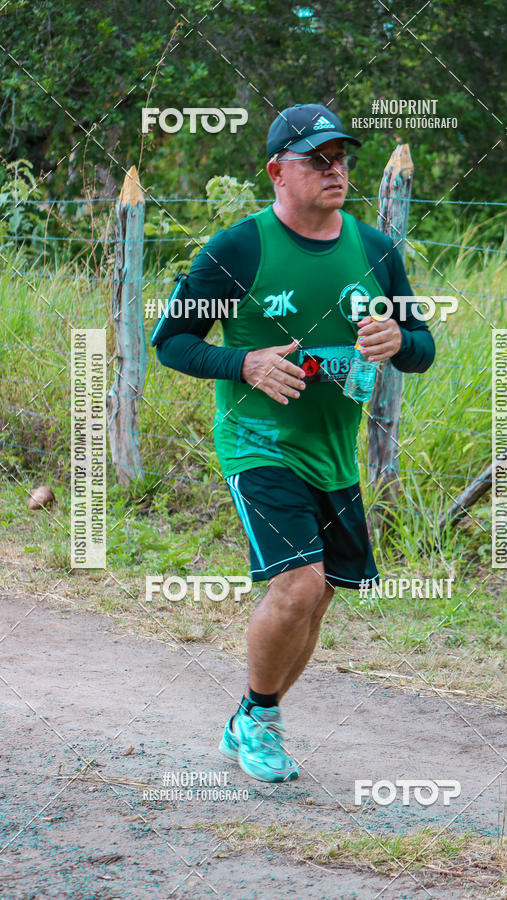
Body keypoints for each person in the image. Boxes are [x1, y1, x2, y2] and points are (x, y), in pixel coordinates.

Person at [151, 103, 435, 783]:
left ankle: (253, 715)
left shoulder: (374, 251)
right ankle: (260, 720)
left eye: (342, 158)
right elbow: (171, 342)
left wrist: (399, 341)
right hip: (258, 440)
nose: (336, 170)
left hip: (333, 452)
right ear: (278, 171)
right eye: (319, 159)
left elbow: (422, 347)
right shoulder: (237, 249)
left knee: (324, 592)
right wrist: (244, 363)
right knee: (298, 583)